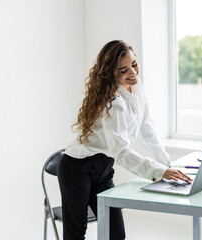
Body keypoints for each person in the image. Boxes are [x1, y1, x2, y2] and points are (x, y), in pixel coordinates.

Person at [57, 40, 192, 240]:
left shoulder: (137, 87)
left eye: (134, 64)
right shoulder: (112, 102)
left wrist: (167, 163)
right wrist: (160, 171)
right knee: (75, 235)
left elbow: (146, 125)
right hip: (77, 167)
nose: (133, 73)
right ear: (111, 73)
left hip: (103, 167)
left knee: (116, 235)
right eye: (123, 70)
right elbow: (121, 152)